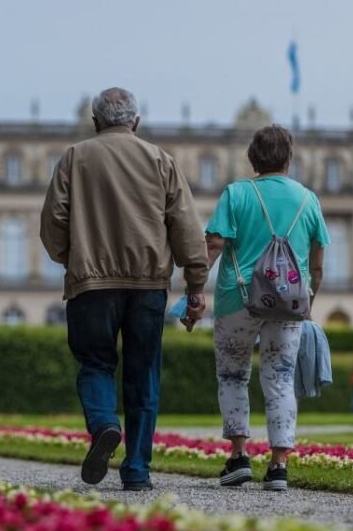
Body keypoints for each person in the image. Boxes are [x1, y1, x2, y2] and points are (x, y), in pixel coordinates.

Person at [40, 87, 208, 491]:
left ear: (96, 121)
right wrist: (197, 285)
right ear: (136, 122)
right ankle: (136, 469)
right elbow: (186, 227)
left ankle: (103, 425)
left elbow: (52, 223)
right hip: (148, 285)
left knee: (95, 364)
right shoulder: (160, 160)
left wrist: (72, 258)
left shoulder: (75, 158)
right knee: (143, 373)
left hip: (91, 284)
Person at [204, 124, 330, 492]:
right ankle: (278, 467)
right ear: (289, 158)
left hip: (236, 300)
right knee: (279, 379)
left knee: (232, 376)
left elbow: (212, 245)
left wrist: (194, 287)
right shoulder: (308, 200)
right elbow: (318, 263)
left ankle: (239, 456)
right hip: (289, 304)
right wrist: (307, 303)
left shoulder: (236, 193)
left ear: (252, 158)